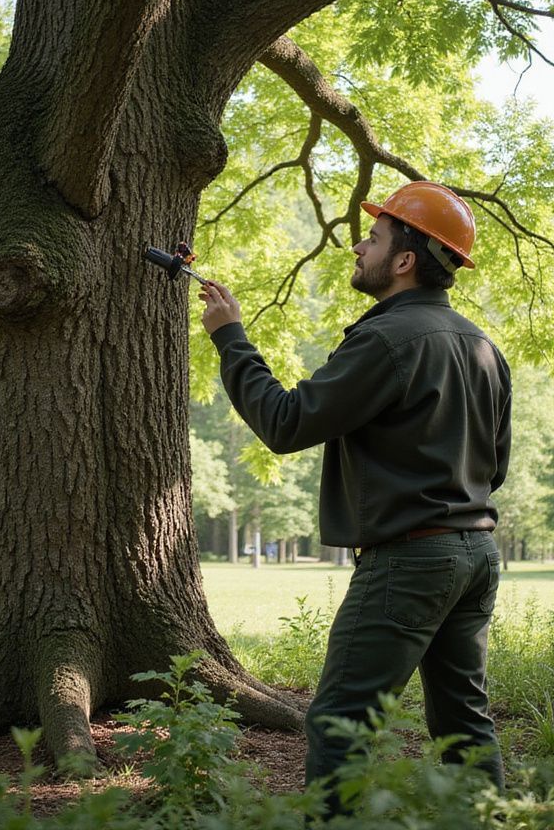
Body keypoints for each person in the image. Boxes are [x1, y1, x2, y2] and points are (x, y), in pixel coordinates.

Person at [199, 181, 511, 806]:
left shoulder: (386, 340)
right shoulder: (483, 347)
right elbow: (494, 466)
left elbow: (286, 423)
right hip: (476, 556)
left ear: (404, 260)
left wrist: (231, 338)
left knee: (339, 723)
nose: (358, 248)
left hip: (411, 560)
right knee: (463, 725)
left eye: (374, 237)